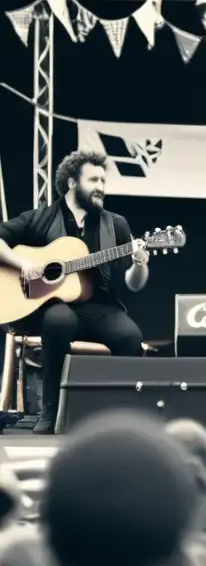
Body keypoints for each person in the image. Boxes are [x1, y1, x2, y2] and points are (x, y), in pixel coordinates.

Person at [0, 151, 147, 434]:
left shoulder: (116, 224)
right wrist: (24, 264)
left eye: (103, 180)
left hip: (99, 305)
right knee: (59, 321)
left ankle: (121, 416)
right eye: (94, 179)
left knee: (131, 336)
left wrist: (140, 261)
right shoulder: (40, 219)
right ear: (71, 182)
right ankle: (51, 412)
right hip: (49, 306)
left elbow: (135, 283)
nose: (101, 187)